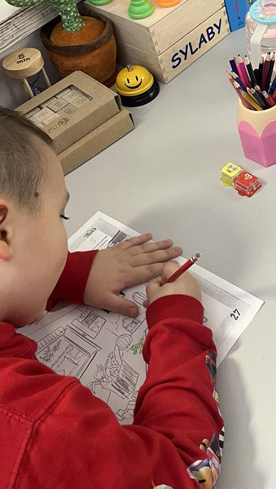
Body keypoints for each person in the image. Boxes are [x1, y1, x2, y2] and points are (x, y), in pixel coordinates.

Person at [0, 108, 224, 486]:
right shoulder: (38, 431)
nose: (64, 229)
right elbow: (187, 468)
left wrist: (67, 274)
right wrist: (178, 325)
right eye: (61, 216)